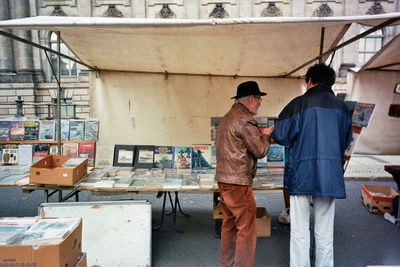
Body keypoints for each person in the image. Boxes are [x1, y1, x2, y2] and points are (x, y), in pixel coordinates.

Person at [271, 63, 353, 267]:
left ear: (310, 80)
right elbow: (346, 140)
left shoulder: (299, 103)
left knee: (300, 229)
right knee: (325, 230)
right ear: (330, 82)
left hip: (302, 174)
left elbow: (281, 134)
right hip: (330, 176)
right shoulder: (341, 107)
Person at [216, 81, 274, 267]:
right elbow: (259, 150)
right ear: (251, 98)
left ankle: (227, 264)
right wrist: (265, 135)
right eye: (259, 99)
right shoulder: (244, 119)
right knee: (247, 230)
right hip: (238, 183)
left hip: (224, 181)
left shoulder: (227, 117)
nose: (259, 103)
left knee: (229, 226)